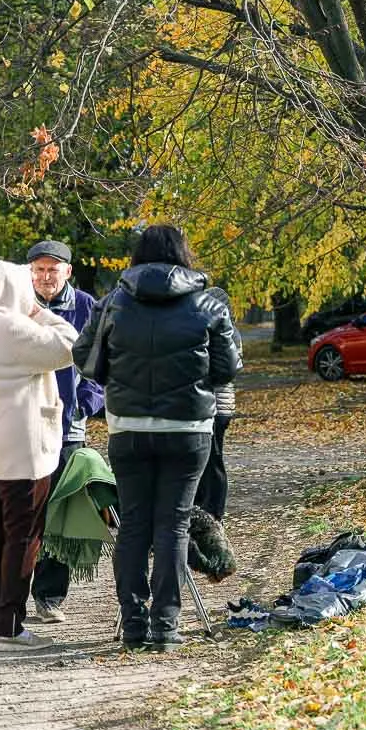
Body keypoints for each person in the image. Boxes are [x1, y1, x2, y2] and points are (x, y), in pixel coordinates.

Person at [73, 225, 239, 652]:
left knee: (133, 526)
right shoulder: (208, 303)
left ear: (138, 257)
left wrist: (120, 379)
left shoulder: (114, 302)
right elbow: (227, 367)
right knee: (174, 524)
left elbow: (85, 359)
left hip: (127, 429)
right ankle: (165, 625)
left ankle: (133, 623)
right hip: (188, 432)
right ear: (183, 254)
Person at [0, 260, 78, 651]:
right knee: (23, 535)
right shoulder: (14, 325)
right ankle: (9, 626)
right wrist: (39, 311)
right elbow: (71, 344)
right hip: (20, 449)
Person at [27, 240, 105, 623]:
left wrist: (88, 403)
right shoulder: (18, 304)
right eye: (39, 269)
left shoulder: (86, 307)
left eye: (52, 270)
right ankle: (8, 592)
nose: (45, 277)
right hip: (24, 426)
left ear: (67, 272)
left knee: (60, 512)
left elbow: (100, 364)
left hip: (68, 428)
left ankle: (49, 594)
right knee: (25, 511)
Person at [193, 287, 242, 522]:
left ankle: (214, 510)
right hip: (207, 405)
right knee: (205, 458)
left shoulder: (228, 333)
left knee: (213, 458)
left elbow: (228, 369)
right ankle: (205, 506)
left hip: (218, 406)